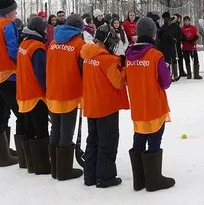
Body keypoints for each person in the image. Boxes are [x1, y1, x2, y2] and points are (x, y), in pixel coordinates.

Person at [126, 17, 175, 192]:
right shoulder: (155, 56)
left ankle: (139, 180)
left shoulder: (129, 56)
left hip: (138, 107)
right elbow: (166, 82)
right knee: (155, 138)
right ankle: (154, 179)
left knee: (139, 137)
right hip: (154, 105)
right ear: (153, 35)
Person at [81, 24, 129, 188]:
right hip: (106, 107)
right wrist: (124, 69)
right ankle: (105, 177)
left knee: (93, 140)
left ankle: (90, 175)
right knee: (107, 141)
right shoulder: (107, 60)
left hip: (92, 105)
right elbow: (118, 83)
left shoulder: (88, 57)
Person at [46, 14, 85, 181]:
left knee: (55, 128)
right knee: (66, 130)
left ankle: (55, 167)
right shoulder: (79, 44)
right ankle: (64, 171)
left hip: (53, 91)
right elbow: (83, 70)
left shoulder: (53, 43)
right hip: (69, 92)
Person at [16, 16, 51, 174]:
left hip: (24, 92)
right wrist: (48, 92)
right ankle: (42, 165)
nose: (46, 31)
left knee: (29, 128)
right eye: (44, 28)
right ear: (38, 29)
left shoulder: (24, 44)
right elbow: (41, 73)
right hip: (36, 94)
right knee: (41, 129)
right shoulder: (37, 47)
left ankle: (28, 163)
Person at [0, 0, 22, 167]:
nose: (15, 12)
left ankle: (4, 151)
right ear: (7, 11)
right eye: (14, 9)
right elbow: (13, 50)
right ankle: (23, 153)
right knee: (19, 112)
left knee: (1, 113)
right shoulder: (8, 25)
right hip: (9, 75)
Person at [159, 12, 177, 81]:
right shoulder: (168, 28)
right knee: (168, 62)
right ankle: (167, 77)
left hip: (162, 48)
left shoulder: (162, 28)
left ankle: (167, 76)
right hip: (168, 48)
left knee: (165, 62)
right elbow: (170, 38)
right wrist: (173, 41)